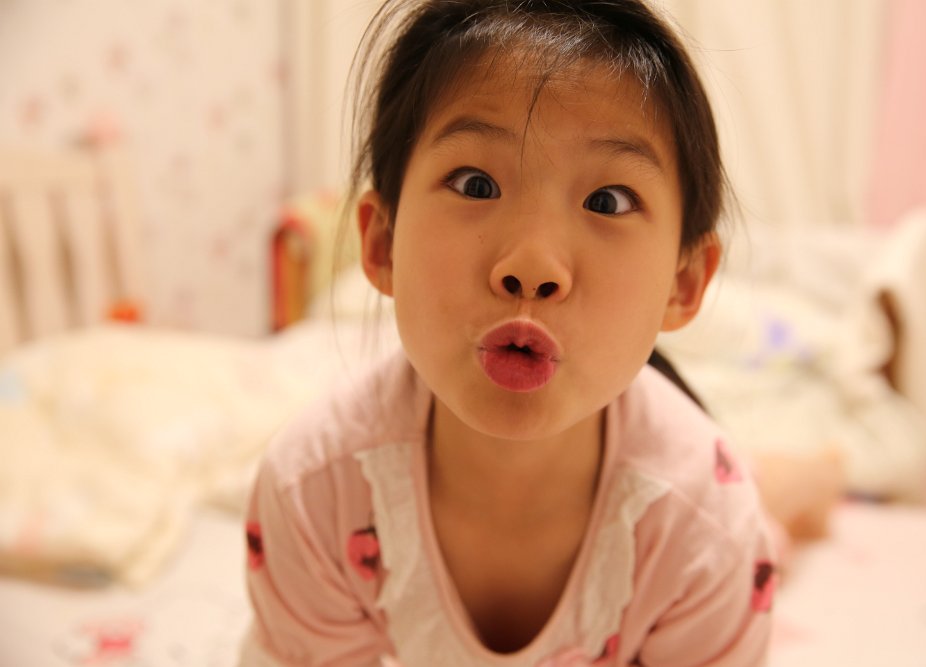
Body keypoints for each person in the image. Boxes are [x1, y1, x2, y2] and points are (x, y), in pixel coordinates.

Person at [240, 1, 775, 665]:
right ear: (381, 243)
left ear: (684, 283)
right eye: (475, 184)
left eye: (606, 201)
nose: (532, 265)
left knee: (773, 506)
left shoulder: (708, 527)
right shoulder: (313, 494)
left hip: (689, 472)